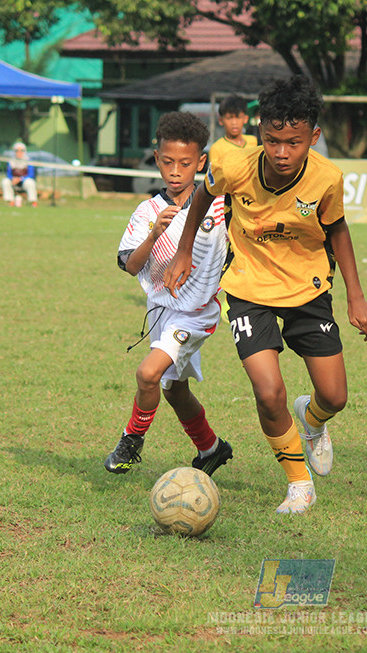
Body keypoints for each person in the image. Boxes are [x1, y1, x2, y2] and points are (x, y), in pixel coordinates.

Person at [163, 76, 367, 514]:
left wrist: (356, 296)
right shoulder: (234, 167)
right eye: (273, 140)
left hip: (307, 287)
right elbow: (202, 197)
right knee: (268, 391)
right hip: (248, 287)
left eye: (293, 143)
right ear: (260, 131)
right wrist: (184, 251)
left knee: (335, 396)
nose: (282, 152)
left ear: (313, 137)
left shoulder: (327, 178)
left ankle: (312, 420)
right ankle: (299, 483)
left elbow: (338, 230)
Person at [104, 111, 233, 478]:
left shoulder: (220, 204)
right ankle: (211, 448)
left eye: (185, 163)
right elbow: (130, 265)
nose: (176, 171)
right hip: (161, 312)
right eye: (168, 162)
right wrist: (153, 235)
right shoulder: (147, 211)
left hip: (196, 312)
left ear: (201, 162)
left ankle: (131, 440)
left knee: (148, 374)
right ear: (157, 158)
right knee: (174, 390)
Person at [208, 95, 258, 166]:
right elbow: (215, 172)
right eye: (229, 118)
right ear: (221, 120)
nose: (234, 123)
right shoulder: (216, 149)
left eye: (238, 117)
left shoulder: (253, 141)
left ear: (245, 119)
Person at [2, 141, 38, 207]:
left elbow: (31, 174)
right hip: (14, 181)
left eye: (21, 150)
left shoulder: (28, 161)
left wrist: (20, 179)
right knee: (5, 181)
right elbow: (8, 173)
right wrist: (12, 178)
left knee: (30, 182)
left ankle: (33, 202)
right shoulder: (11, 161)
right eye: (17, 150)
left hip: (24, 181)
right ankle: (10, 201)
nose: (19, 152)